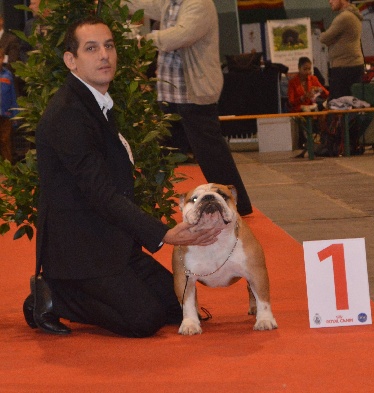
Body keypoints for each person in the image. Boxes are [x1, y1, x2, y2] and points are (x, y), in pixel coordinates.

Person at [22, 16, 224, 338]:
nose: (104, 55)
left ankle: (90, 288)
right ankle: (51, 296)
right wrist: (165, 234)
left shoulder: (96, 102)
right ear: (71, 61)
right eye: (91, 48)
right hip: (79, 250)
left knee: (178, 305)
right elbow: (101, 194)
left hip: (113, 243)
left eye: (109, 46)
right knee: (143, 320)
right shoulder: (68, 114)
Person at [121, 0, 253, 216]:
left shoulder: (200, 4)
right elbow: (144, 5)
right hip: (170, 93)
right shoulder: (170, 2)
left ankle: (239, 203)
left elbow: (180, 36)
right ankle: (144, 202)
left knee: (211, 153)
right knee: (160, 153)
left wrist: (142, 40)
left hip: (194, 93)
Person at [319, 0, 364, 100]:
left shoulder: (344, 17)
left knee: (338, 104)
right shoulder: (353, 15)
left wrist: (330, 39)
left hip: (344, 68)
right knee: (352, 103)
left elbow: (324, 38)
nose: (330, 2)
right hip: (352, 66)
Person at [0, 48, 18, 162]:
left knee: (5, 141)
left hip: (5, 115)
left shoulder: (8, 75)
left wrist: (15, 116)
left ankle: (7, 173)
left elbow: (13, 96)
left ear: (2, 59)